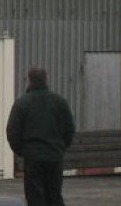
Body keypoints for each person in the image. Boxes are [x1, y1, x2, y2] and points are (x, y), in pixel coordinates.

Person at [6, 67, 75, 206]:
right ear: (46, 79)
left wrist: (22, 151)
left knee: (35, 196)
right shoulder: (60, 102)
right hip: (54, 155)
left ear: (28, 80)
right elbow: (70, 129)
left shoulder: (22, 103)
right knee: (54, 195)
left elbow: (12, 132)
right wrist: (60, 147)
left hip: (33, 157)